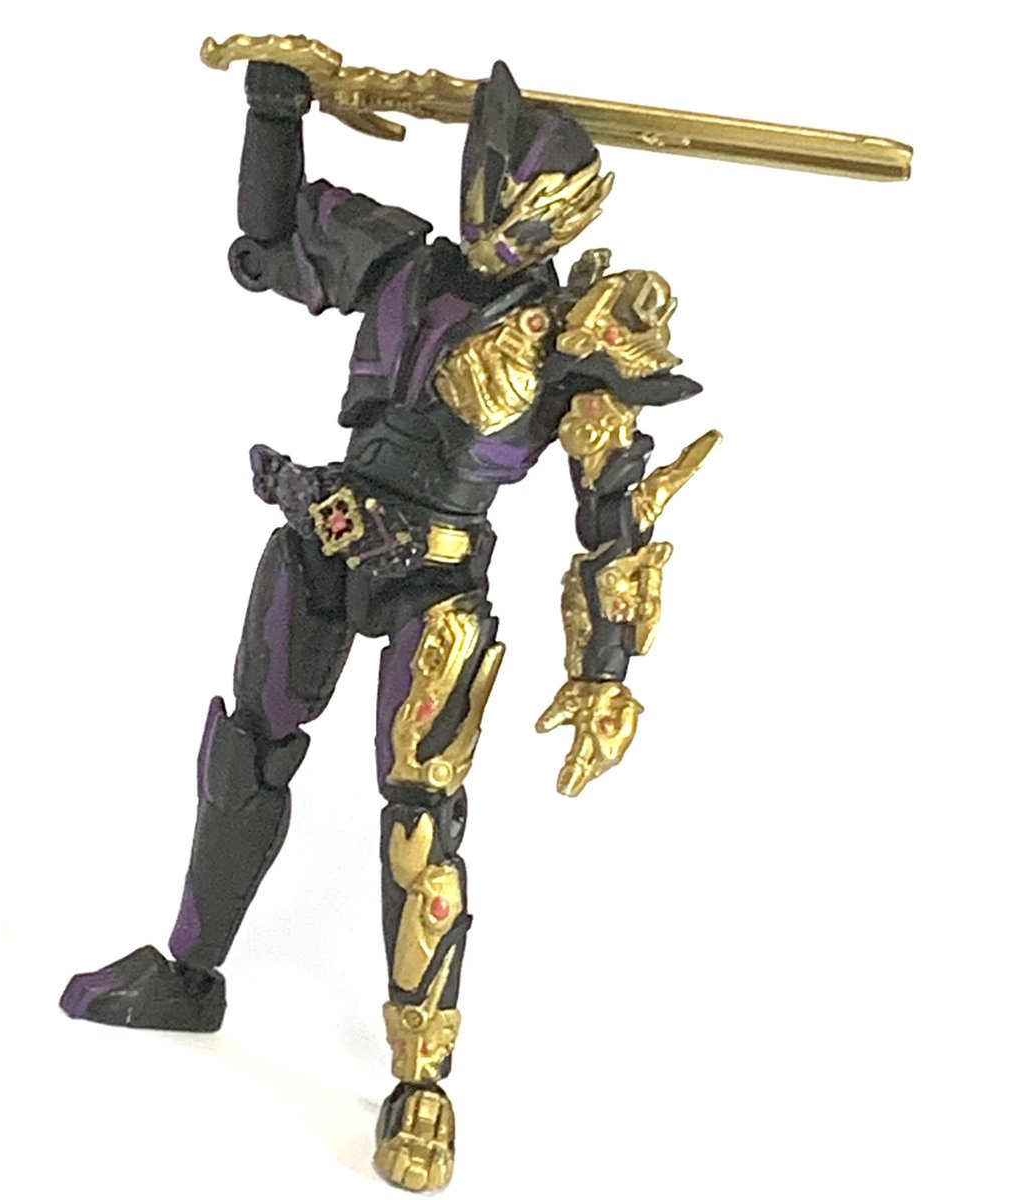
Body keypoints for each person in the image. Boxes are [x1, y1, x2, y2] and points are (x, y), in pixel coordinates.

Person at [61, 59, 717, 1193]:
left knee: (421, 819)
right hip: (324, 533)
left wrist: (605, 670)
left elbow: (615, 518)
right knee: (246, 753)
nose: (490, 225)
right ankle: (190, 972)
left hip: (439, 585)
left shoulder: (580, 337)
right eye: (486, 197)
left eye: (515, 210)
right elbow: (269, 240)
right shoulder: (408, 262)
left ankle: (421, 1086)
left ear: (564, 215)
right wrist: (276, 106)